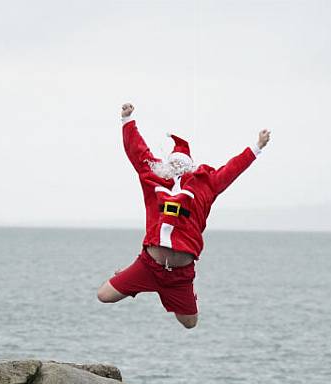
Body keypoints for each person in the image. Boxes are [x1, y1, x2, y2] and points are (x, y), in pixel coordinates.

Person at [97, 102, 270, 329]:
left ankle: (169, 291)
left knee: (189, 323)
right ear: (167, 163)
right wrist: (127, 121)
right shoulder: (154, 178)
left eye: (182, 163)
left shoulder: (205, 186)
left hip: (180, 275)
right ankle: (140, 281)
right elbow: (137, 153)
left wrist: (256, 147)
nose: (177, 166)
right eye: (174, 162)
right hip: (149, 265)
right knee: (104, 295)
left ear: (190, 166)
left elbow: (231, 170)